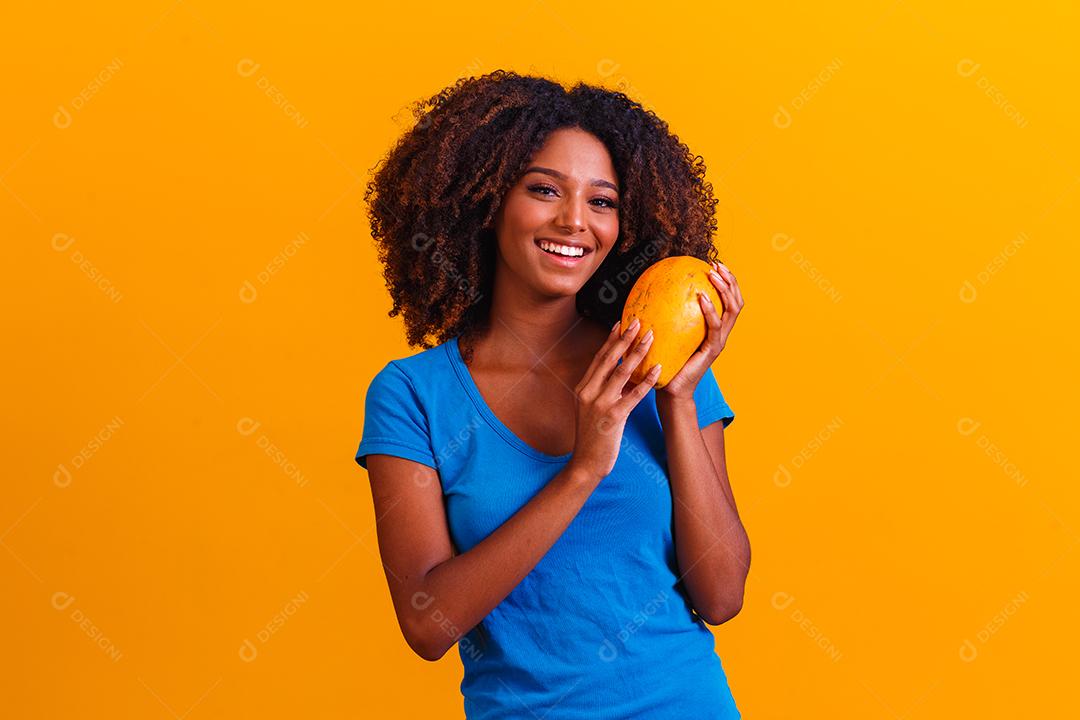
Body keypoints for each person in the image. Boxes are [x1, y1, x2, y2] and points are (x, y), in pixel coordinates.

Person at [354, 70, 748, 719]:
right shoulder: (413, 396)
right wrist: (585, 468)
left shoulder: (665, 365)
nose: (575, 222)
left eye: (602, 201)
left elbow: (723, 595)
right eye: (544, 191)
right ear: (484, 202)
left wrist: (678, 398)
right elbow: (428, 624)